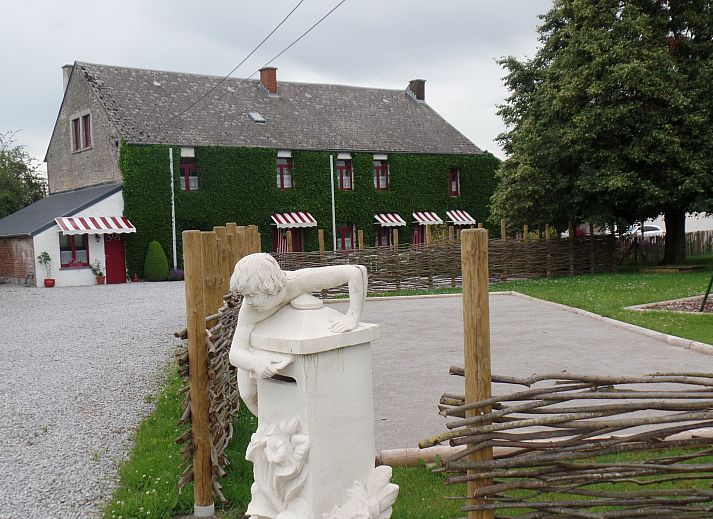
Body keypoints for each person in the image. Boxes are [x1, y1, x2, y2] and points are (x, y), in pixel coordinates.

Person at [228, 253, 368, 415]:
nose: (248, 301)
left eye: (252, 295)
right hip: (257, 349)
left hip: (286, 345)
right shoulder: (249, 310)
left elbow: (356, 272)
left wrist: (352, 316)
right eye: (245, 296)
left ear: (270, 288)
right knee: (248, 395)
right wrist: (255, 363)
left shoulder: (297, 281)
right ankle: (270, 428)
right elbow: (235, 353)